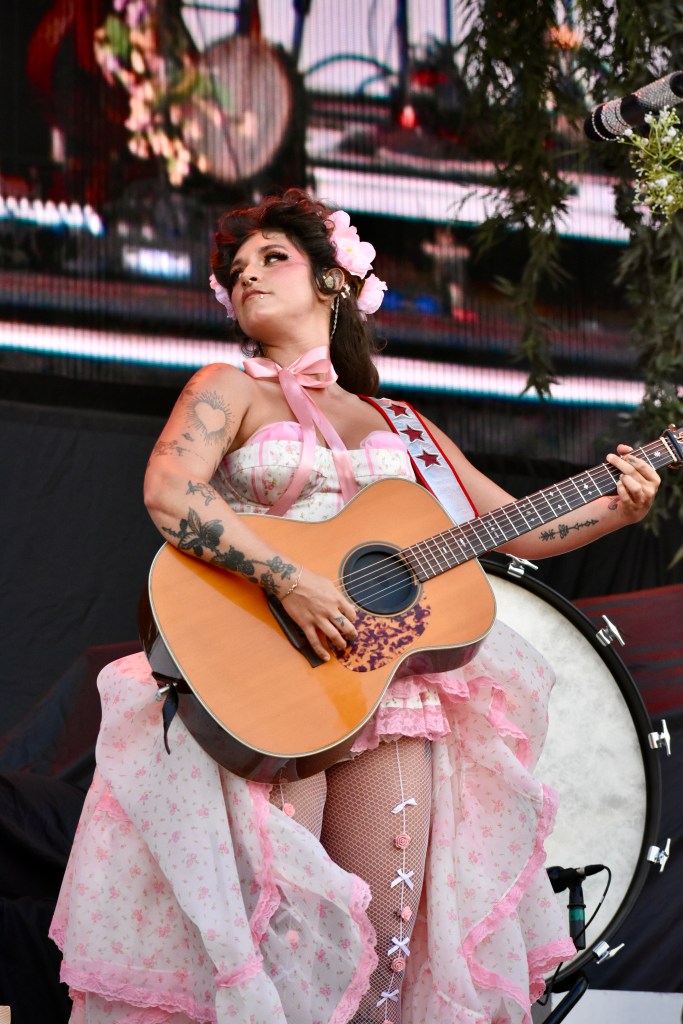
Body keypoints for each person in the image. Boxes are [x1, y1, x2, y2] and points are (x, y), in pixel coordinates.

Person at [50, 189, 660, 1024]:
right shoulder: (226, 386)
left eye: (273, 259)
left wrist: (617, 507)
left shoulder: (399, 424)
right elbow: (169, 489)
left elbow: (506, 524)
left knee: (387, 937)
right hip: (264, 674)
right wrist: (290, 579)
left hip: (387, 686)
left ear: (334, 282)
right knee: (285, 933)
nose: (247, 278)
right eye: (236, 270)